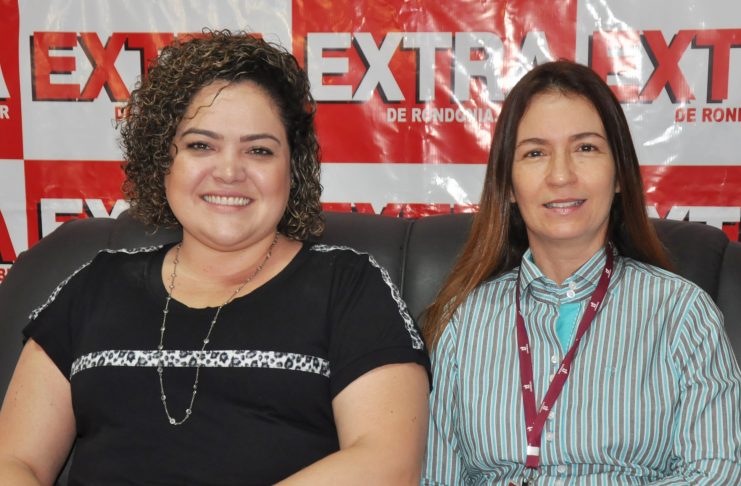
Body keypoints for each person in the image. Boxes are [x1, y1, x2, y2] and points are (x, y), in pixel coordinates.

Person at [0, 29, 430, 485]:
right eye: (200, 145)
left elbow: (387, 463)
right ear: (163, 160)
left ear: (293, 168)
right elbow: (14, 461)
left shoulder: (349, 287)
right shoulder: (94, 284)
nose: (229, 171)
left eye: (259, 150)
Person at [422, 60, 741, 484]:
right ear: (509, 186)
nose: (561, 175)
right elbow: (437, 478)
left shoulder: (683, 315)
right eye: (535, 153)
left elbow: (715, 473)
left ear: (619, 175)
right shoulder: (463, 323)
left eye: (586, 148)